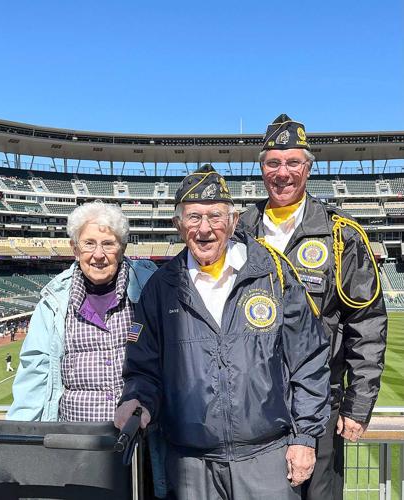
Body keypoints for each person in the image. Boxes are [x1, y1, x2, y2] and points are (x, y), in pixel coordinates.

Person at [115, 164, 331, 500]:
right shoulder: (160, 289)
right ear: (177, 225)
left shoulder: (273, 274)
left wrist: (305, 437)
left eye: (215, 216)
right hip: (191, 466)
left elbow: (309, 360)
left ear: (232, 222)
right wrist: (137, 400)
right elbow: (144, 368)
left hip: (267, 459)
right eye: (193, 217)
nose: (205, 229)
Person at [239, 114, 388, 500]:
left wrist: (358, 405)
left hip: (321, 405)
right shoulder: (240, 232)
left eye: (293, 163)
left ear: (308, 167)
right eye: (273, 163)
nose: (282, 173)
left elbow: (367, 324)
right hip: (255, 406)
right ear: (261, 168)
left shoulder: (342, 235)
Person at [7, 201, 157, 422]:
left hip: (138, 438)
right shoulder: (53, 303)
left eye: (108, 244)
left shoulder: (149, 289)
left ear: (123, 249)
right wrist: (21, 439)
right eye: (89, 243)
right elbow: (35, 374)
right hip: (74, 442)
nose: (98, 254)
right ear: (75, 249)